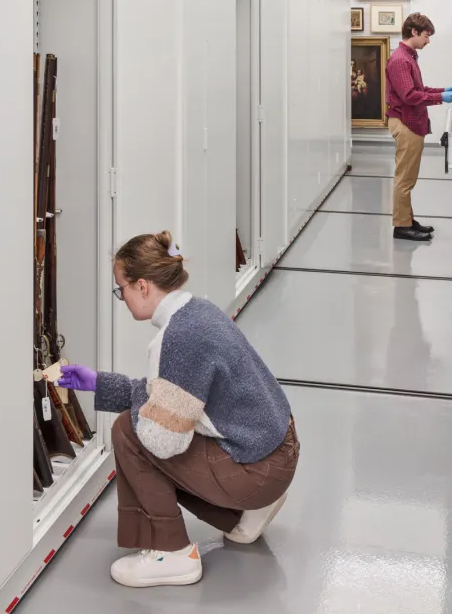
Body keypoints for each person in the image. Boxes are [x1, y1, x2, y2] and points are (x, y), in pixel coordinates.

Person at [58, 231, 299, 589]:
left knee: (128, 432)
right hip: (277, 453)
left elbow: (162, 441)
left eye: (120, 289)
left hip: (259, 471)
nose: (120, 298)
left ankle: (171, 553)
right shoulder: (197, 311)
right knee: (143, 422)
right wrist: (98, 383)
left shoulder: (178, 338)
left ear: (142, 286)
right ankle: (245, 514)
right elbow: (168, 396)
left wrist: (139, 410)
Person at [385, 13, 452, 242]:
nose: (428, 41)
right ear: (414, 32)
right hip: (405, 122)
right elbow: (409, 96)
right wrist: (440, 99)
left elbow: (419, 88)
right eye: (427, 35)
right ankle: (401, 226)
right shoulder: (400, 60)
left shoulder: (409, 57)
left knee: (408, 176)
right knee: (405, 178)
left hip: (411, 121)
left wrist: (442, 91)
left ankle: (407, 219)